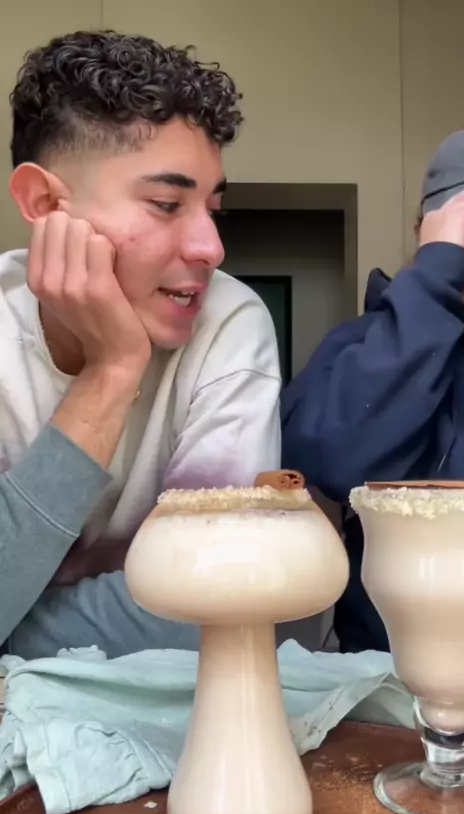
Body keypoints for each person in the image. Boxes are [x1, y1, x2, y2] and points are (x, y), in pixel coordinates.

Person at [0, 31, 281, 659]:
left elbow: (212, 600)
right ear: (44, 203)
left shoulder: (229, 322)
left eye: (212, 209)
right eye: (166, 204)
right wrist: (112, 371)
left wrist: (12, 628)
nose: (211, 248)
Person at [282, 126, 464, 652]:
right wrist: (438, 276)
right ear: (427, 232)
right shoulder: (361, 345)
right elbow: (334, 462)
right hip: (391, 669)